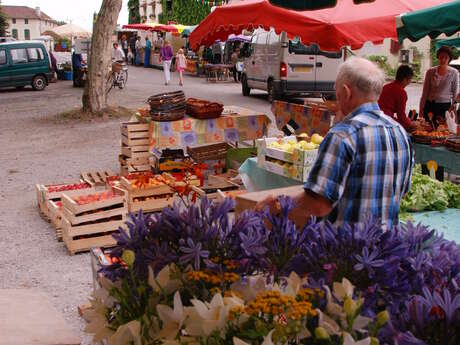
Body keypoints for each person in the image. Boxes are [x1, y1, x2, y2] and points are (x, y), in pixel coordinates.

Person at [256, 57, 413, 230]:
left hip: (345, 250)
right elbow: (402, 192)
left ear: (346, 92)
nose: (337, 98)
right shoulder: (400, 132)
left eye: (336, 92)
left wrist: (279, 203)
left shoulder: (343, 135)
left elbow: (318, 204)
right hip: (387, 249)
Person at [419, 46, 459, 126]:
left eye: (446, 57)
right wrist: (421, 107)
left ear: (449, 59)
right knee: (428, 128)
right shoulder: (430, 72)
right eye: (441, 57)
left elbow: (455, 92)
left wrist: (453, 108)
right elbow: (425, 92)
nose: (443, 60)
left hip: (445, 106)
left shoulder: (454, 73)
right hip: (430, 105)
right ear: (438, 57)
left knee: (442, 130)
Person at [378, 65, 416, 132]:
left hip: (377, 118)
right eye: (410, 79)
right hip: (386, 122)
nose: (409, 82)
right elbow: (401, 117)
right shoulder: (401, 92)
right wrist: (411, 124)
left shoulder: (386, 87)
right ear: (405, 79)